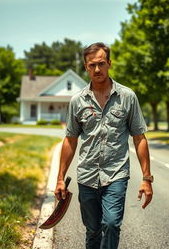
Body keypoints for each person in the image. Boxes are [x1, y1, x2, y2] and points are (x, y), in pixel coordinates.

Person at [54, 42, 153, 249]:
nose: (97, 69)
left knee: (111, 224)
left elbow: (139, 138)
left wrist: (146, 178)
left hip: (116, 174)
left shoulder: (127, 97)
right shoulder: (77, 101)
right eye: (92, 65)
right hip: (87, 176)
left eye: (101, 63)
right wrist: (60, 179)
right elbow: (70, 140)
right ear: (85, 66)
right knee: (93, 231)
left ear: (109, 63)